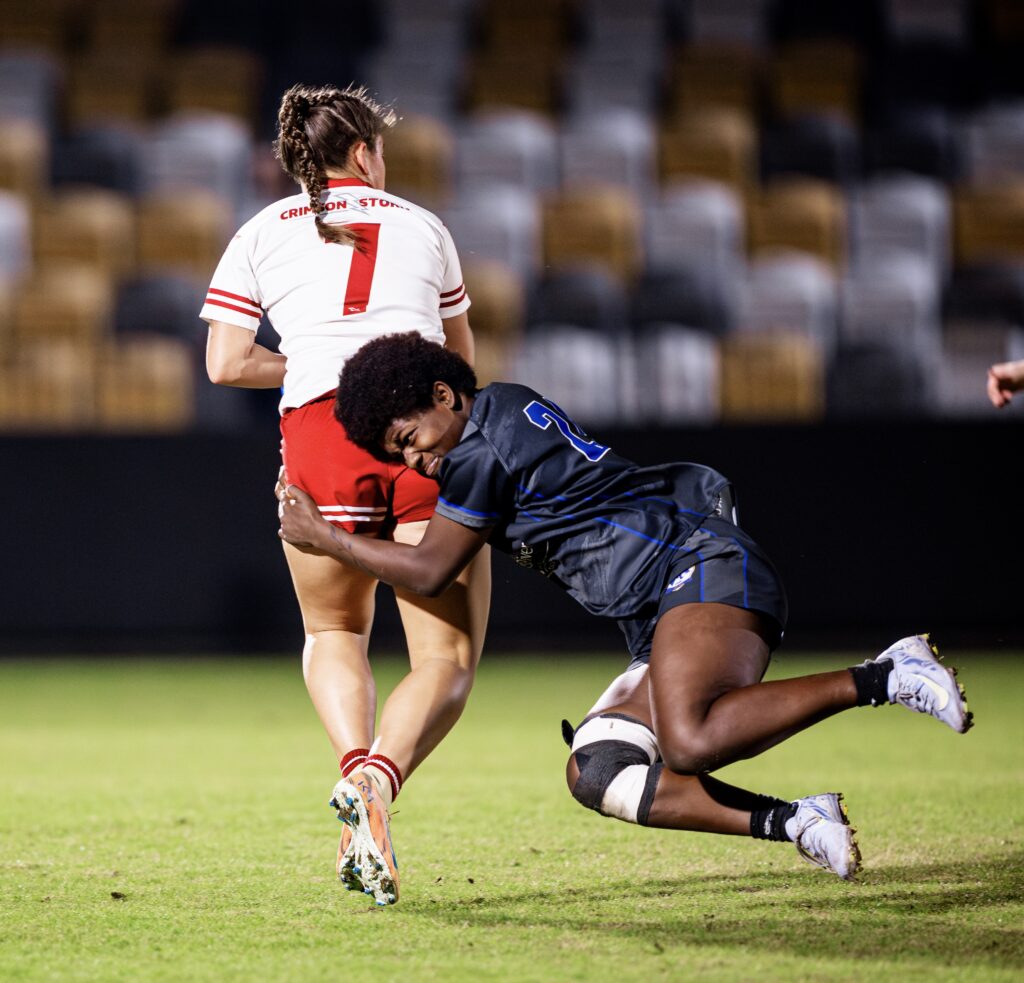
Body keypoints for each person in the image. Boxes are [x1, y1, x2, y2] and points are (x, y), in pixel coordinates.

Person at [277, 332, 974, 886]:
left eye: (408, 438)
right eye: (397, 453)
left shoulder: (478, 445)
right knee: (598, 769)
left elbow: (430, 570)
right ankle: (795, 820)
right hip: (667, 602)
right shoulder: (498, 410)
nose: (413, 461)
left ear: (442, 395)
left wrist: (328, 536)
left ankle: (884, 674)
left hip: (696, 564)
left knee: (691, 739)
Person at [202, 86, 491, 907]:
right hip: (418, 432)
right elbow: (458, 374)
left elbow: (225, 362)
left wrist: (302, 365)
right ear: (365, 152)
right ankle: (378, 780)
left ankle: (351, 770)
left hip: (318, 435)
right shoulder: (424, 225)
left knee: (333, 626)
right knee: (446, 658)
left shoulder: (259, 231)